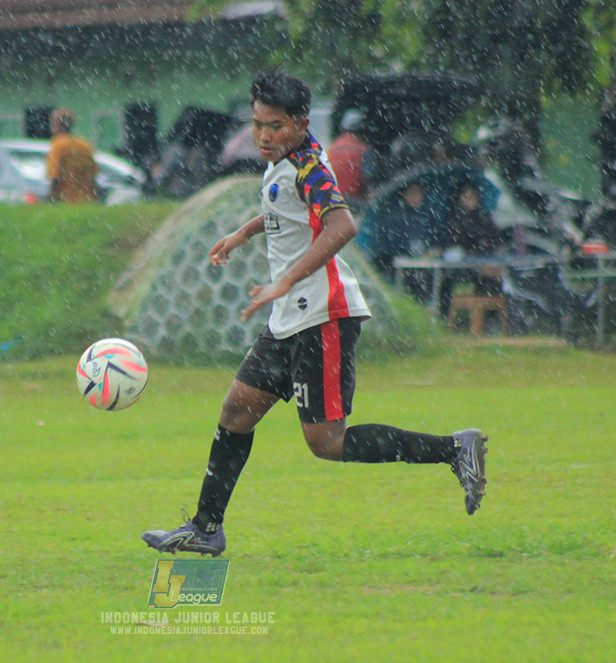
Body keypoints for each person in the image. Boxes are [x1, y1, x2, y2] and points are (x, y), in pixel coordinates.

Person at [141, 68, 488, 558]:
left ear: (301, 124)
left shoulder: (311, 167)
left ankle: (454, 448)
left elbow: (341, 225)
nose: (264, 135)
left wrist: (284, 279)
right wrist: (245, 232)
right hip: (290, 315)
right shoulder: (285, 162)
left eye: (275, 125)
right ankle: (205, 528)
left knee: (325, 441)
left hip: (323, 314)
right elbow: (288, 211)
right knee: (237, 411)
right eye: (258, 123)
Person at [439, 181, 507, 315]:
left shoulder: (484, 217)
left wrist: (492, 264)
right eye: (467, 196)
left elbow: (494, 242)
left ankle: (490, 319)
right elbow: (456, 246)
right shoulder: (454, 219)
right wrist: (478, 265)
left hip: (485, 263)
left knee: (496, 280)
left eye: (473, 196)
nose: (471, 200)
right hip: (462, 268)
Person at [46, 108, 98, 203]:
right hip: (87, 200)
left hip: (66, 201)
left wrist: (51, 200)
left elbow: (55, 177)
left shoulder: (57, 145)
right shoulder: (85, 145)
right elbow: (93, 175)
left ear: (56, 126)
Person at [327, 109, 372, 201]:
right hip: (354, 199)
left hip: (332, 197)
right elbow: (367, 177)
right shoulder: (363, 149)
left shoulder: (332, 147)